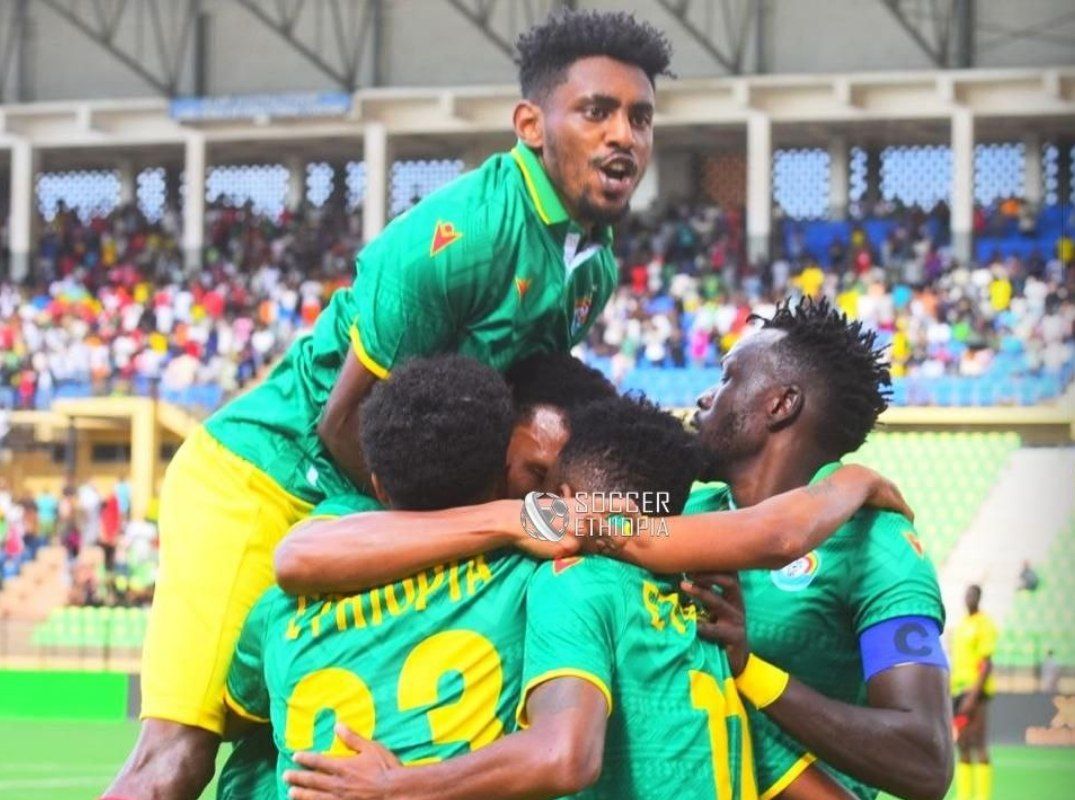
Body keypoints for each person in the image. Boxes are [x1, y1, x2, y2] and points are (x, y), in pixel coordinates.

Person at [106, 10, 672, 799]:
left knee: (274, 755)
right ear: (530, 125)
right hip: (270, 475)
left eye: (639, 118)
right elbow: (346, 425)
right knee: (175, 760)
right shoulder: (461, 236)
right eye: (596, 111)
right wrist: (455, 535)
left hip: (364, 498)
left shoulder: (592, 266)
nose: (622, 136)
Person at [280, 395, 856, 800]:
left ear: (562, 495)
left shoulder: (568, 581)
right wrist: (856, 481)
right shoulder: (699, 614)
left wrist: (396, 787)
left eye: (540, 482)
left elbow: (563, 757)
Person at [682, 298, 952, 800]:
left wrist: (752, 673)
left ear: (781, 405)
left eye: (727, 378)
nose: (704, 397)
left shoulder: (876, 545)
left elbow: (924, 759)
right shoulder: (683, 512)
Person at [951, 584, 997, 800]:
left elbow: (986, 664)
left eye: (972, 595)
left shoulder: (984, 624)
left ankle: (982, 797)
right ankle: (964, 796)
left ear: (978, 598)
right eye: (966, 595)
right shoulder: (961, 624)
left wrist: (973, 695)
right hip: (958, 691)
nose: (968, 599)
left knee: (978, 743)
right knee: (963, 744)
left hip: (975, 693)